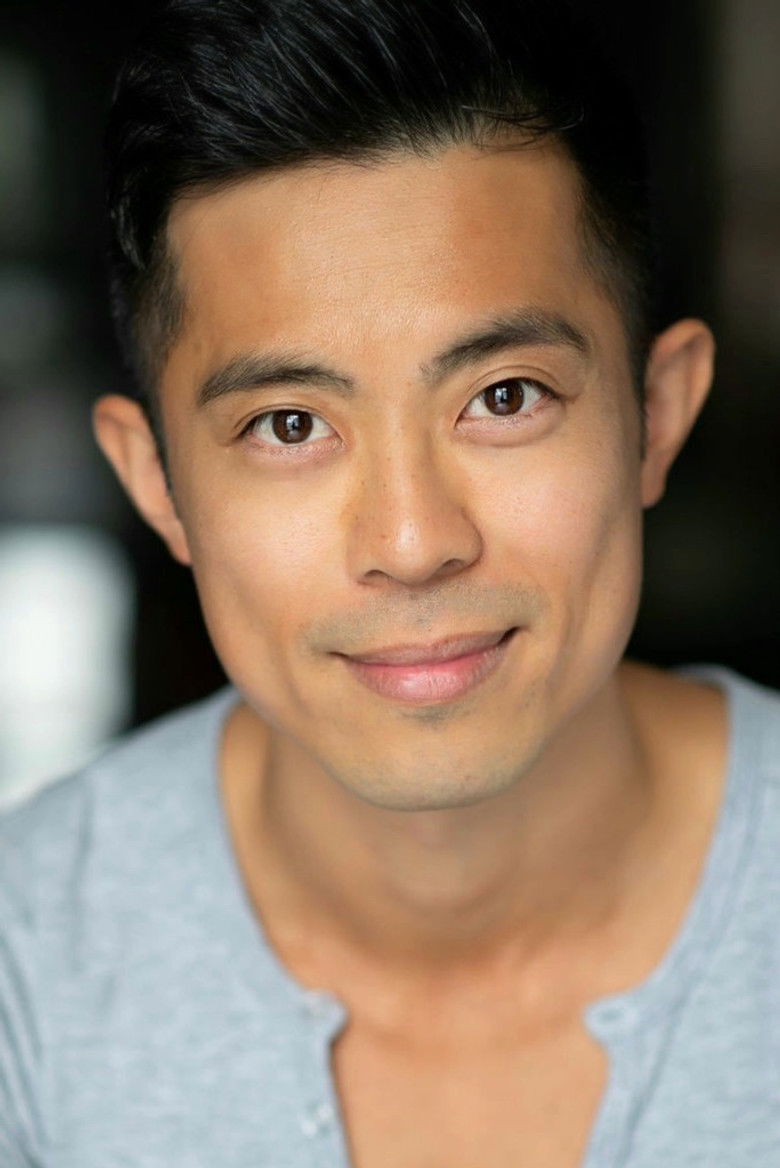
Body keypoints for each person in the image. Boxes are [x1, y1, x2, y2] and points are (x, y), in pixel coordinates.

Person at [1, 0, 778, 1164]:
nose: (413, 541)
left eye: (504, 397)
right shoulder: (27, 966)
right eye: (289, 423)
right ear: (156, 482)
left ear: (656, 416)